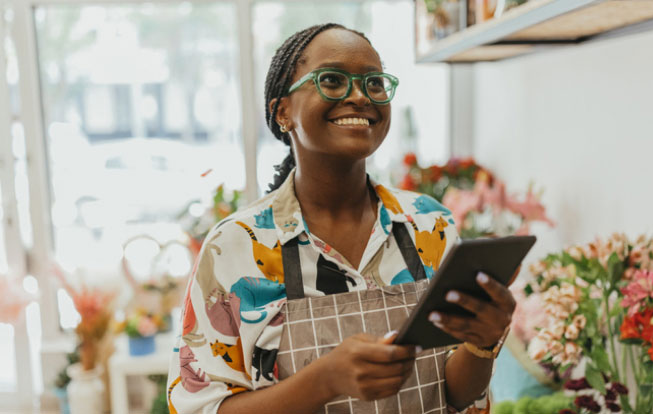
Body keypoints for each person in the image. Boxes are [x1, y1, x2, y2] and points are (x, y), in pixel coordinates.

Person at [166, 23, 516, 414]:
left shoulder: (430, 226)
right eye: (332, 80)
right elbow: (200, 408)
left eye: (374, 83)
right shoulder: (235, 246)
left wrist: (482, 345)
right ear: (282, 112)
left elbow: (454, 395)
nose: (360, 96)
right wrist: (324, 380)